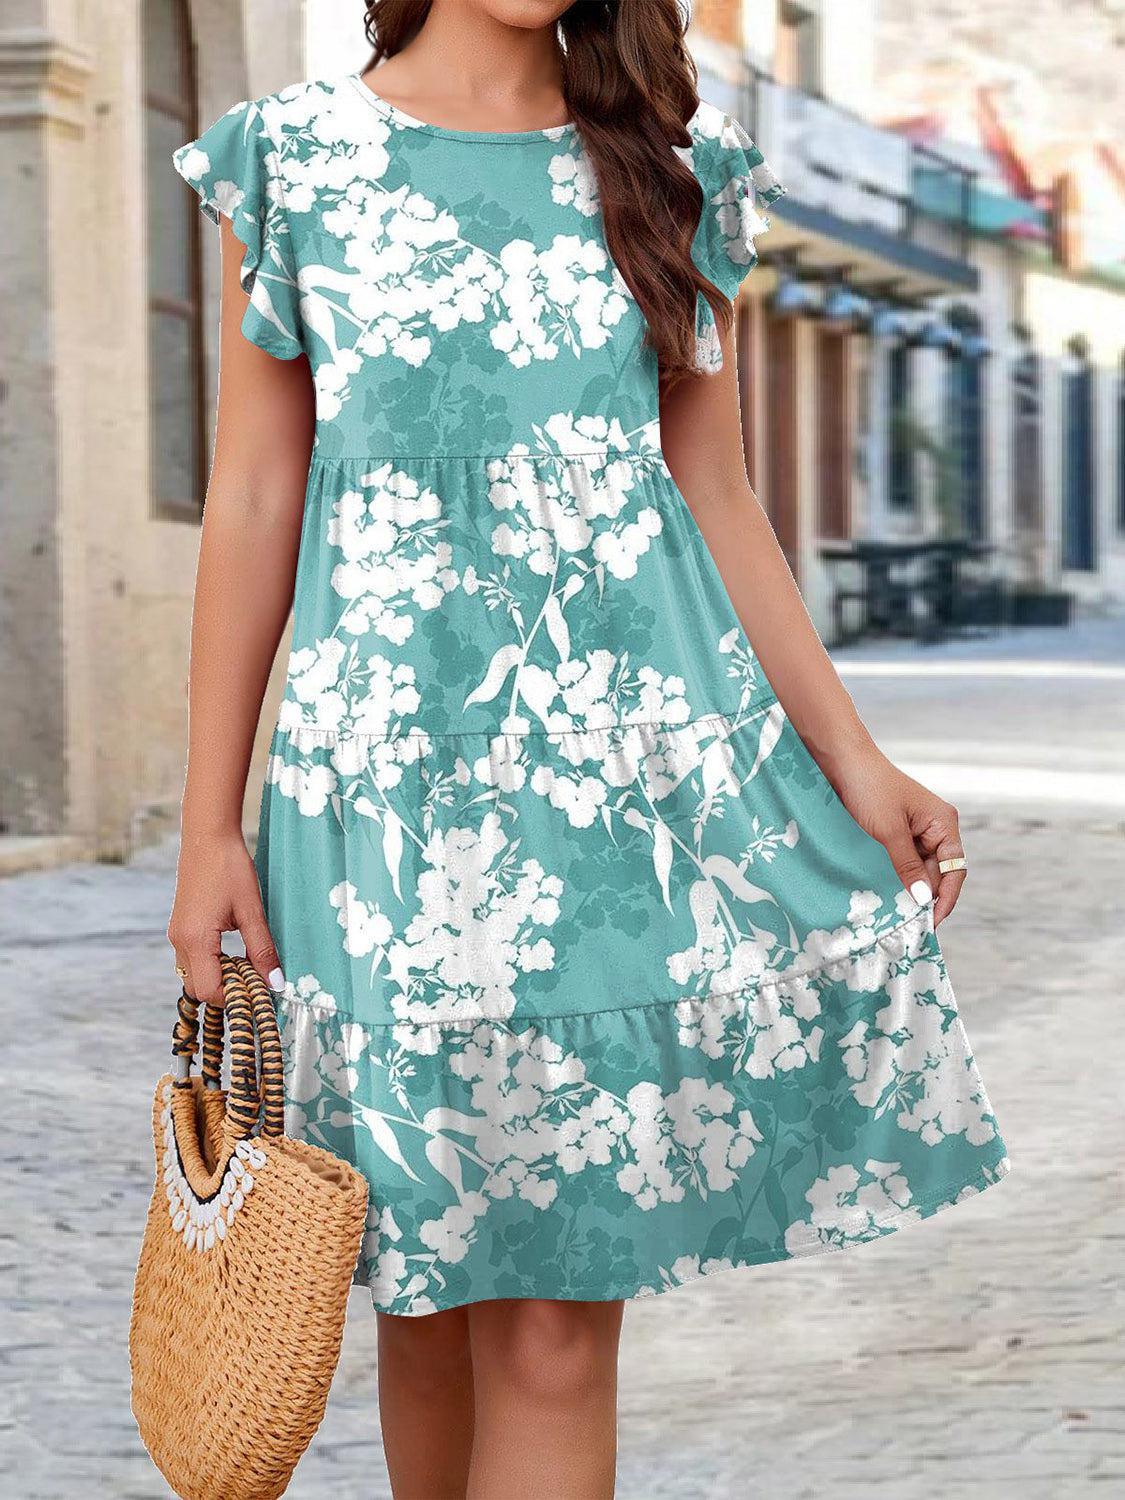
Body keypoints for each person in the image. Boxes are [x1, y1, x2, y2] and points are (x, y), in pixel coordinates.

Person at [167, 2, 1008, 1495]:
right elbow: (250, 501)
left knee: (553, 1316)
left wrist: (853, 759)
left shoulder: (667, 165)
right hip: (379, 798)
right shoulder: (294, 160)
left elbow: (718, 495)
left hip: (622, 787)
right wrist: (207, 830)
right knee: (424, 1302)